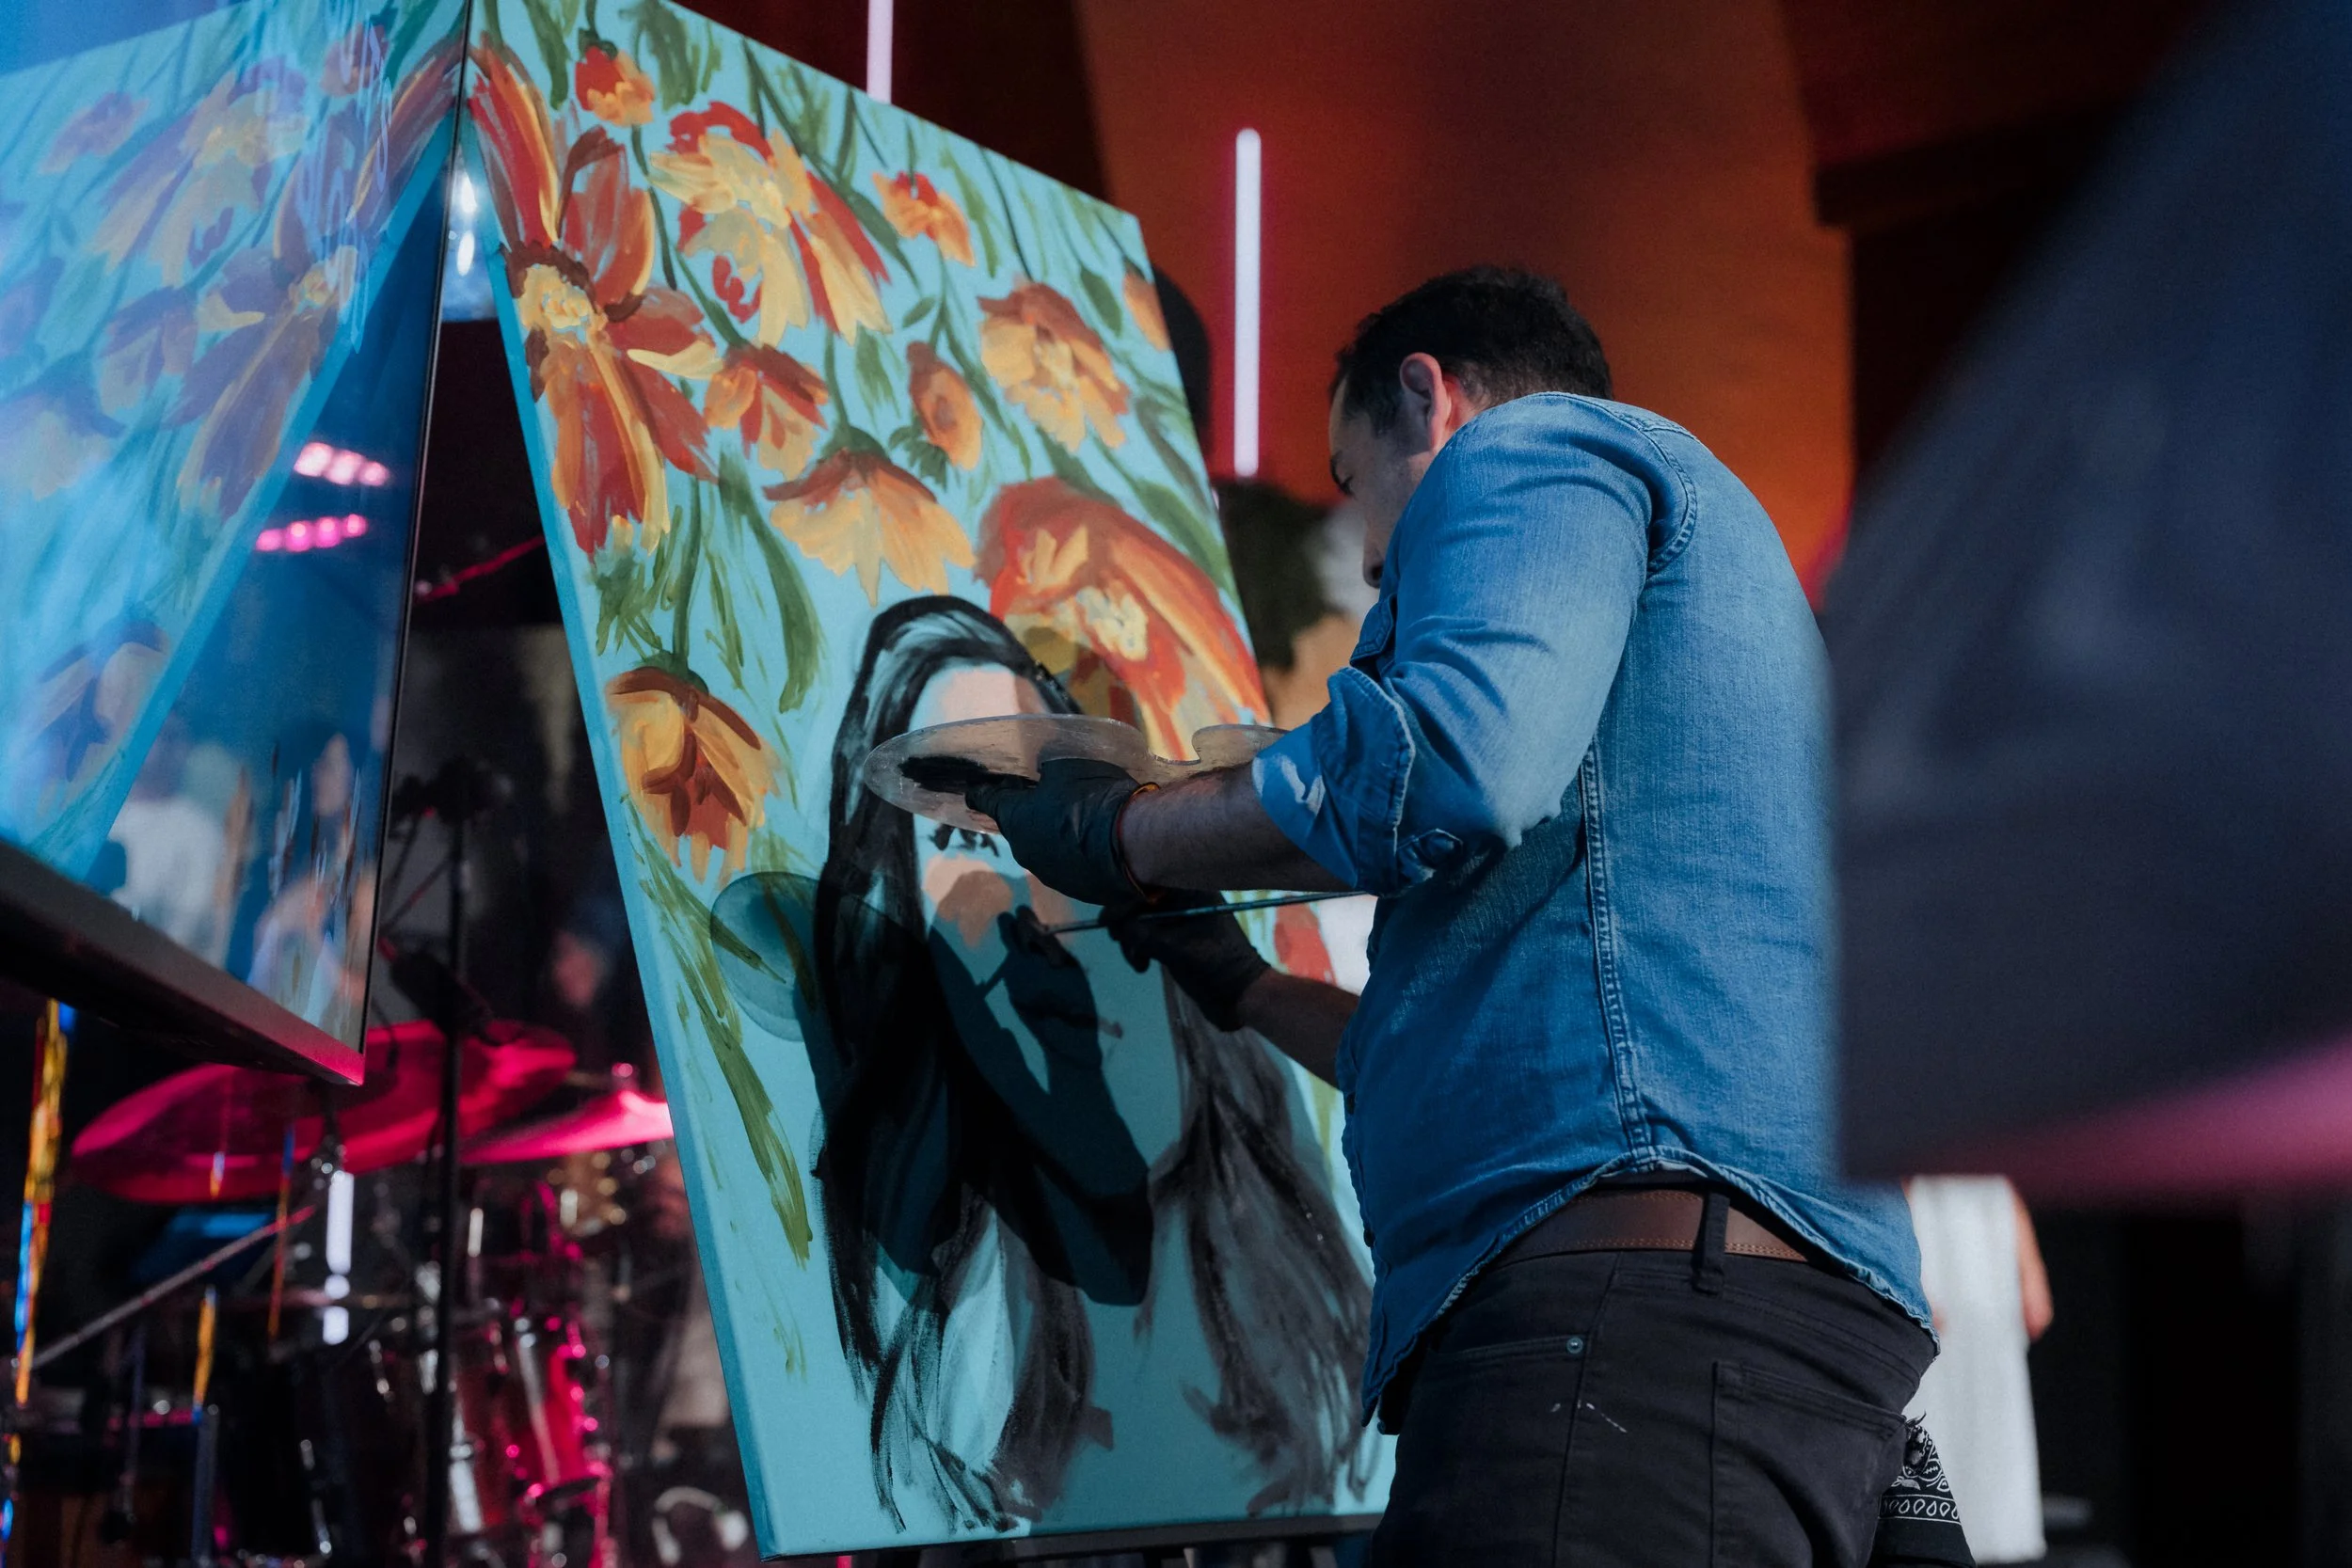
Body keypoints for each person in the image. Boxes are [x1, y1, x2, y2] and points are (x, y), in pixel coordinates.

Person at [967, 268, 1958, 1565]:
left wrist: (1124, 834)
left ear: (1428, 397)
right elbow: (1527, 1051)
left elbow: (1452, 762)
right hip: (1750, 1327)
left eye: (1354, 480)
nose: (1374, 553)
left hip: (1633, 1323)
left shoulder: (1535, 449)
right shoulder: (1709, 660)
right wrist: (1243, 984)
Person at [1906, 1177, 2054, 1563]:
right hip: (1932, 1227)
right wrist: (1906, 1271)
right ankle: (1932, 1540)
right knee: (1937, 1405)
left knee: (1992, 1410)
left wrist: (2031, 1269)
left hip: (1988, 1232)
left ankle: (1993, 1544)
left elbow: (2008, 1178)